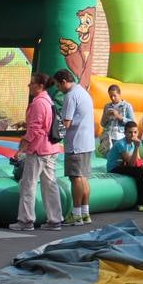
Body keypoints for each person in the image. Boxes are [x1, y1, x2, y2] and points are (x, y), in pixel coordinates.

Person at [13, 72, 67, 231]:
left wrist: (22, 147)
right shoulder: (47, 100)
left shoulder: (38, 103)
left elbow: (35, 129)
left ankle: (26, 220)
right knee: (50, 184)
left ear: (40, 86)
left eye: (31, 83)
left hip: (38, 150)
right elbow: (43, 123)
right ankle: (55, 219)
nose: (29, 86)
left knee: (28, 184)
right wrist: (26, 124)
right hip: (50, 148)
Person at [60, 70, 96, 227]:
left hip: (76, 143)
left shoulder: (70, 96)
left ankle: (76, 214)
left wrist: (54, 133)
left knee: (76, 178)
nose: (58, 89)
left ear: (63, 82)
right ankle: (84, 212)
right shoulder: (83, 92)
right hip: (87, 142)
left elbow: (66, 123)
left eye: (57, 85)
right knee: (84, 177)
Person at [108, 122, 143, 212]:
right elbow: (131, 164)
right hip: (115, 168)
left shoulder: (133, 143)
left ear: (138, 132)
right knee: (139, 172)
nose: (133, 135)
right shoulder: (121, 144)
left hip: (125, 165)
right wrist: (136, 147)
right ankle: (140, 203)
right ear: (125, 133)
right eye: (130, 132)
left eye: (135, 132)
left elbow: (138, 160)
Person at [100, 84, 135, 150]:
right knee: (110, 159)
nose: (112, 98)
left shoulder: (127, 106)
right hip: (108, 138)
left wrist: (119, 117)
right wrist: (106, 116)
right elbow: (102, 124)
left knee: (120, 159)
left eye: (114, 96)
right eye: (110, 96)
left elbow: (132, 123)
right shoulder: (107, 106)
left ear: (119, 94)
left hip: (120, 137)